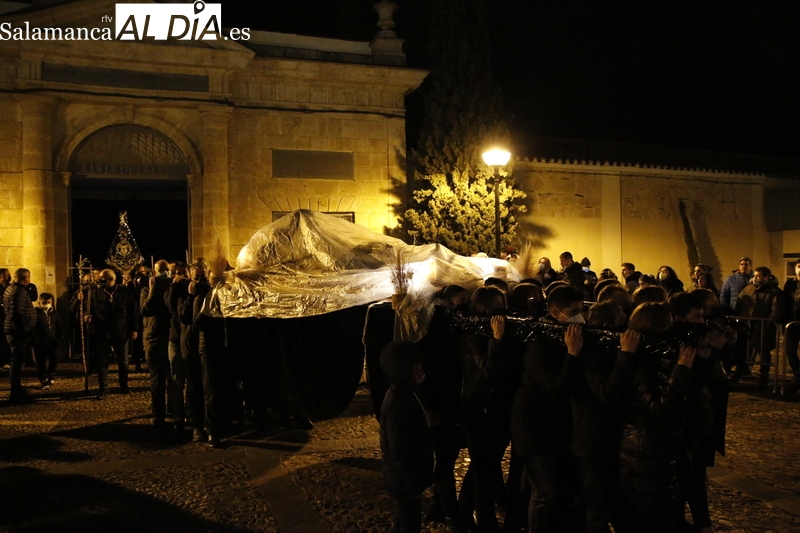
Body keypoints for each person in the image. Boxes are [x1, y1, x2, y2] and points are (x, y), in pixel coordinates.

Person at [619, 302, 698, 533]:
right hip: (646, 452)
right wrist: (681, 370)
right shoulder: (644, 362)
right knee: (650, 517)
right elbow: (658, 410)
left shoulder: (659, 355)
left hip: (656, 450)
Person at [511, 285, 584, 533]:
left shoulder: (560, 335)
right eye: (573, 311)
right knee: (544, 492)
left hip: (552, 426)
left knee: (546, 487)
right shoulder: (540, 343)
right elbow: (556, 388)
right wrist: (573, 354)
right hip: (535, 427)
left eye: (582, 310)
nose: (579, 316)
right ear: (555, 313)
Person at [458, 286, 507, 532]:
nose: (501, 312)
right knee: (482, 466)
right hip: (478, 408)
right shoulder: (472, 336)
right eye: (496, 307)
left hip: (494, 408)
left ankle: (463, 511)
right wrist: (497, 340)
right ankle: (485, 521)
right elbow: (487, 372)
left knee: (485, 464)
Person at [379, 341, 434, 533]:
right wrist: (413, 486)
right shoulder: (399, 402)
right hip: (404, 481)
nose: (421, 371)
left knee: (403, 520)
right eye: (415, 367)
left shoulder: (406, 393)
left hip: (403, 479)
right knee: (410, 524)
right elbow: (400, 450)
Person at [83, 269, 138, 399]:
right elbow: (88, 309)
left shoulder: (125, 292)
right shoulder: (95, 293)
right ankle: (103, 388)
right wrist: (86, 316)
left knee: (123, 361)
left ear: (113, 279)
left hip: (121, 330)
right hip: (101, 331)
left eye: (107, 280)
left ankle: (124, 386)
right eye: (102, 280)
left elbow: (133, 311)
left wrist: (134, 329)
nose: (104, 283)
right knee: (102, 361)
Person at [735, 266, 784, 388]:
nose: (755, 278)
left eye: (758, 276)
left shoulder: (774, 292)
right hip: (748, 326)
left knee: (764, 353)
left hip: (764, 327)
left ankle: (764, 377)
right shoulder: (748, 289)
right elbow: (740, 304)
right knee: (744, 351)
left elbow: (776, 310)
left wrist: (768, 322)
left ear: (766, 277)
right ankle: (739, 373)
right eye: (754, 275)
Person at [140, 260, 174, 428]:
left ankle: (174, 410)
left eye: (166, 270)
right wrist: (154, 290)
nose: (163, 273)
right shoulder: (146, 290)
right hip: (153, 339)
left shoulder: (173, 288)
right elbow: (145, 310)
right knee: (157, 379)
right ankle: (158, 414)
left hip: (171, 337)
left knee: (173, 378)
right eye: (160, 271)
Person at [3, 268, 37, 403]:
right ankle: (15, 392)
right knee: (16, 363)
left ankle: (17, 389)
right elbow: (16, 314)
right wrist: (22, 333)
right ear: (26, 278)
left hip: (15, 331)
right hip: (17, 333)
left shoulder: (12, 289)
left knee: (17, 361)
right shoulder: (18, 292)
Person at [34, 293, 61, 389]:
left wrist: (59, 337)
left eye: (49, 302)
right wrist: (35, 339)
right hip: (40, 341)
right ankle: (43, 379)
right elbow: (32, 327)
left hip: (52, 340)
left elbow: (57, 325)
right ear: (39, 302)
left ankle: (50, 373)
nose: (47, 304)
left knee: (55, 358)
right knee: (41, 361)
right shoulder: (35, 313)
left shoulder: (54, 312)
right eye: (44, 302)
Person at [783, 261, 800, 392]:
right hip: (791, 324)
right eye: (799, 266)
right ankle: (798, 376)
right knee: (790, 351)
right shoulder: (790, 284)